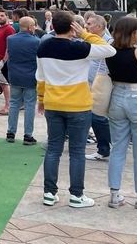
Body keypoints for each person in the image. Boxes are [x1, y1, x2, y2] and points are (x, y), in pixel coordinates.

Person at [37, 11, 116, 209]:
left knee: (54, 149)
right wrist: (85, 34)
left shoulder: (43, 46)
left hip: (53, 104)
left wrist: (41, 99)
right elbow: (109, 50)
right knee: (77, 152)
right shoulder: (81, 47)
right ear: (73, 26)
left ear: (53, 25)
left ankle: (49, 193)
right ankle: (76, 195)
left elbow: (41, 77)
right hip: (78, 106)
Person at [104, 17, 137, 210]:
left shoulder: (110, 51)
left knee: (117, 147)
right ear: (132, 32)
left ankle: (114, 194)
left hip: (117, 96)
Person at [5, 16, 40, 145]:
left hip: (14, 75)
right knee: (30, 105)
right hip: (30, 76)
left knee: (14, 103)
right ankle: (28, 135)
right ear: (31, 27)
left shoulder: (11, 39)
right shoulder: (36, 41)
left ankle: (10, 132)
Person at [84, 13, 113, 162]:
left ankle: (104, 148)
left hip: (100, 85)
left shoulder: (108, 42)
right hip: (90, 83)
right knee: (94, 116)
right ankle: (104, 146)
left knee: (98, 116)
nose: (86, 26)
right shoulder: (90, 40)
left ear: (99, 26)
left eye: (89, 24)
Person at [0, 9, 16, 115]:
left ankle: (8, 106)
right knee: (2, 84)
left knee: (4, 84)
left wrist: (4, 60)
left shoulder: (9, 29)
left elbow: (10, 46)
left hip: (4, 61)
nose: (0, 17)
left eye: (2, 15)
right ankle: (8, 105)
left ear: (7, 16)